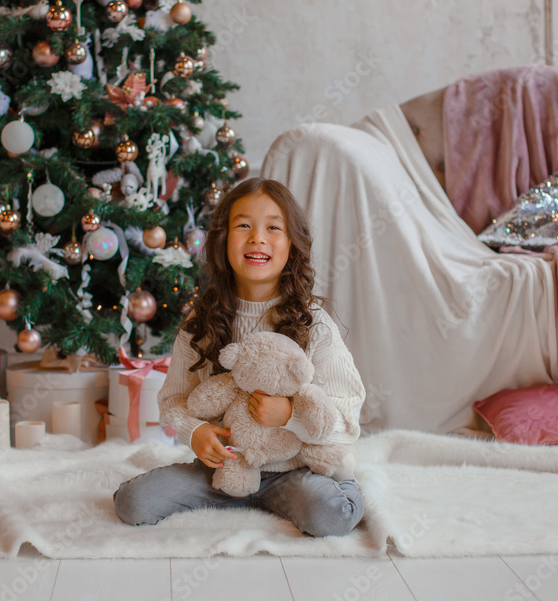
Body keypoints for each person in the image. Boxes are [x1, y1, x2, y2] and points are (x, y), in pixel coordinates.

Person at [113, 178, 367, 537]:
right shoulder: (200, 321)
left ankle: (344, 487)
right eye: (243, 225)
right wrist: (195, 431)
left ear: (292, 244)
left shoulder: (315, 326)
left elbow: (347, 419)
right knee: (133, 504)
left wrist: (291, 417)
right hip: (224, 468)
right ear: (222, 241)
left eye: (273, 228)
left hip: (292, 473)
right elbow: (173, 400)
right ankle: (236, 496)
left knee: (330, 516)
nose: (257, 238)